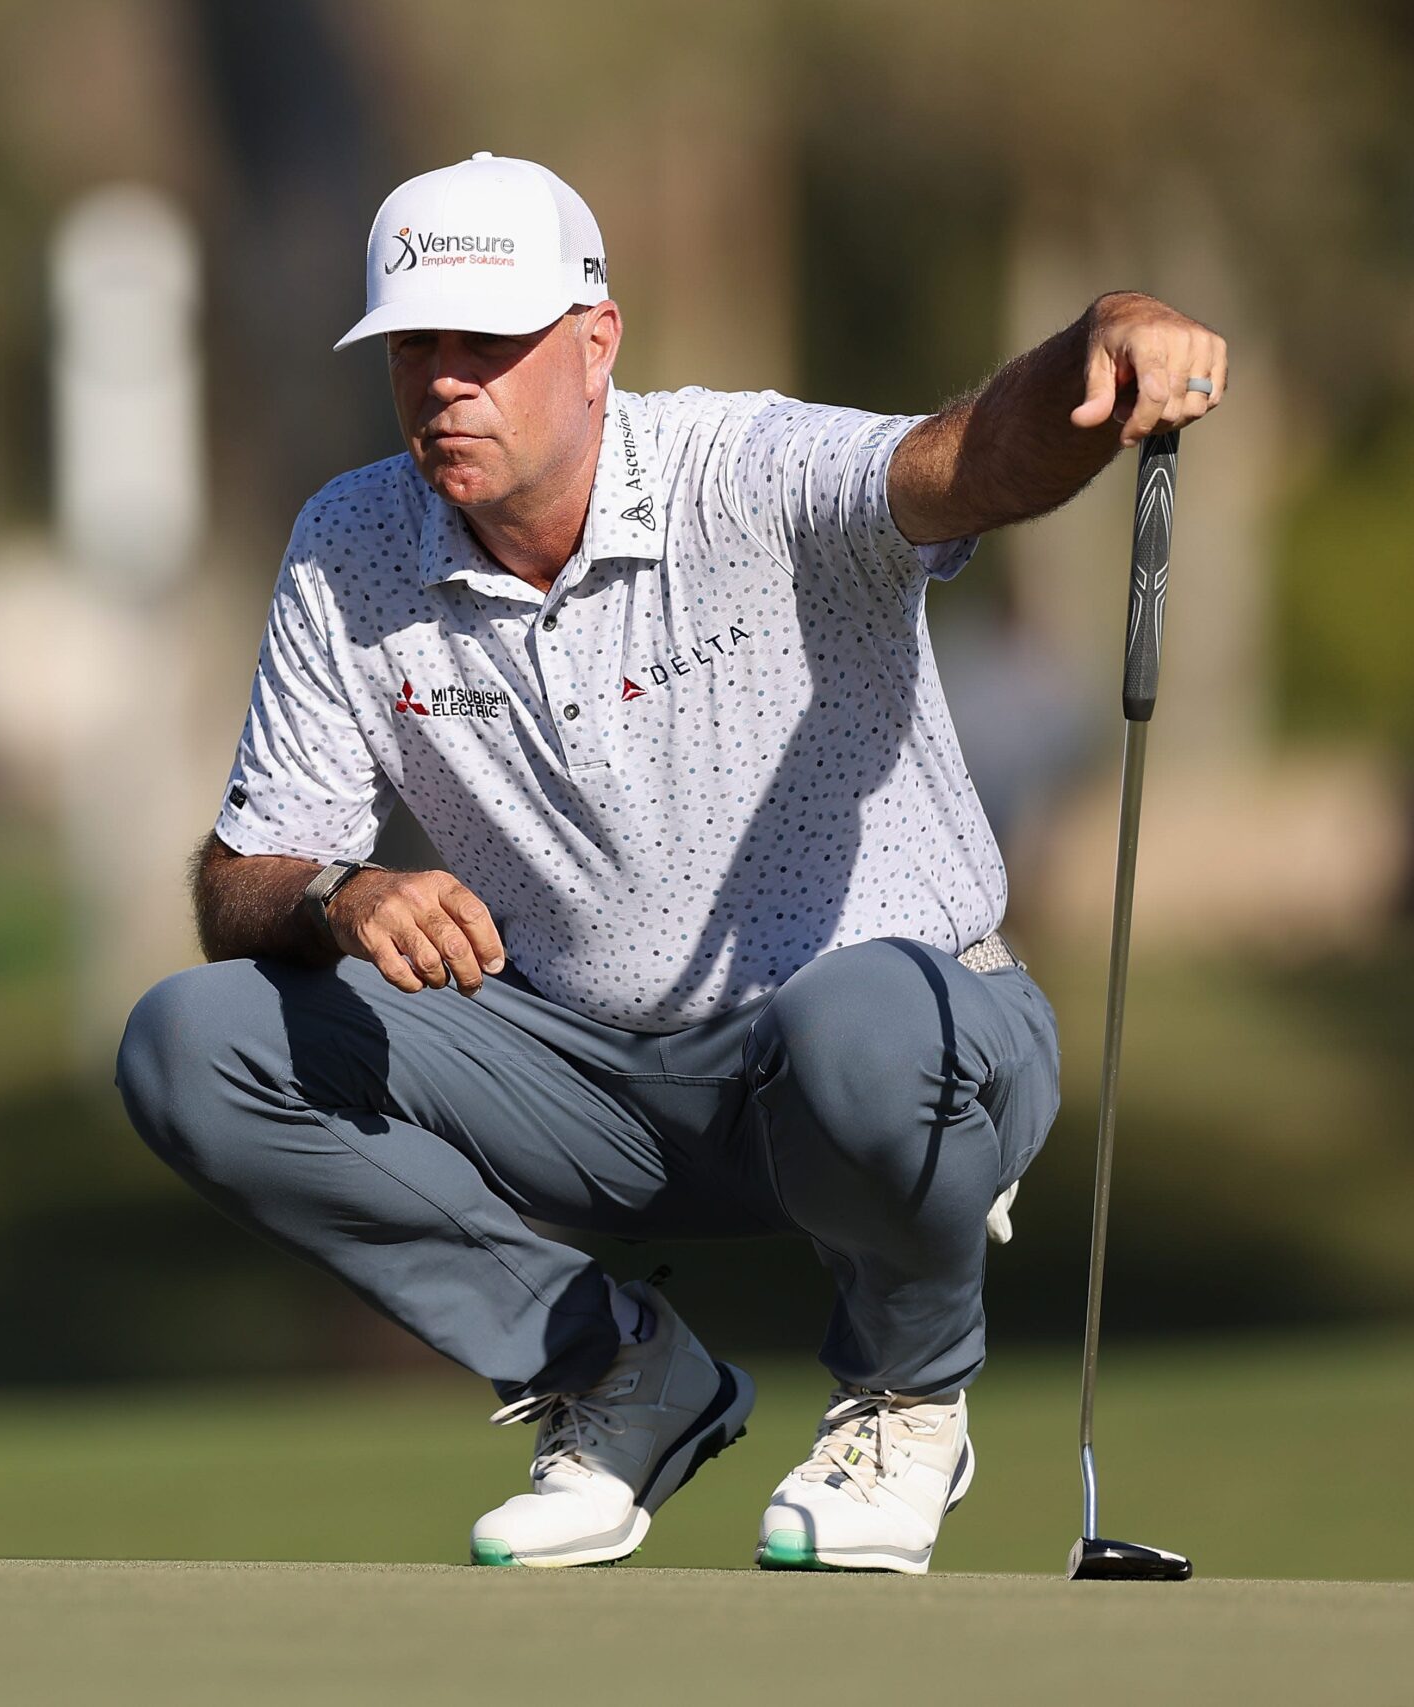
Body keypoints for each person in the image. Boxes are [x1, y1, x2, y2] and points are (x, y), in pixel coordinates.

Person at [113, 151, 1227, 1572]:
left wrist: (1102, 339)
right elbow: (241, 877)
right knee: (191, 1043)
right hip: (592, 1079)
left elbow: (976, 459)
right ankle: (615, 1372)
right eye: (417, 346)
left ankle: (906, 1398)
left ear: (595, 343)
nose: (446, 381)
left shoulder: (744, 471)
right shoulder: (350, 546)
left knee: (857, 1030)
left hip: (902, 1046)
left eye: (490, 345)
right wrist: (342, 896)